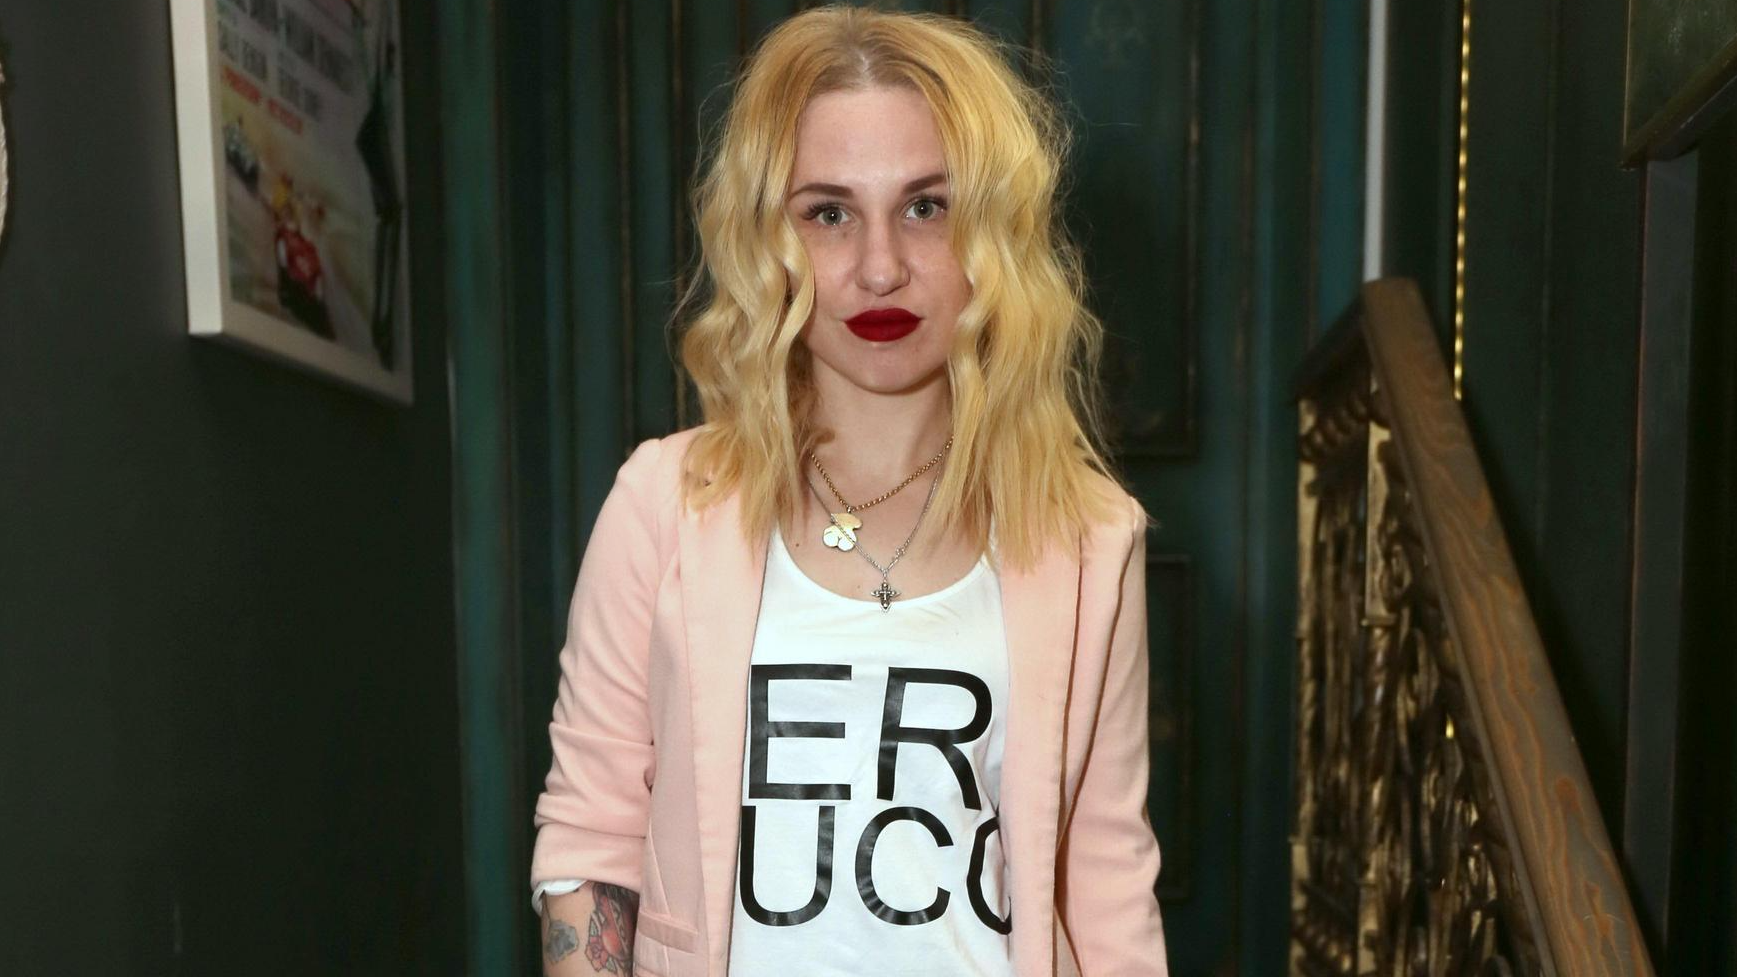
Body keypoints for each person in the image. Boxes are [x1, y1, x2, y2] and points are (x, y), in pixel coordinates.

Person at [530, 6, 1169, 975]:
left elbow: (1108, 882)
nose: (880, 267)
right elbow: (591, 833)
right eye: (828, 213)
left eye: (927, 207)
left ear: (993, 232)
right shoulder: (664, 501)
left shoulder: (1088, 535)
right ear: (768, 239)